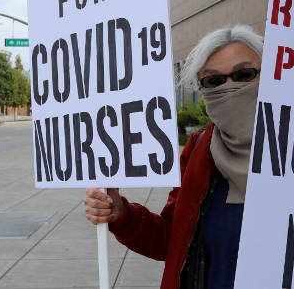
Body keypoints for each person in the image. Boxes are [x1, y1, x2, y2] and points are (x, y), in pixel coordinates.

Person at [84, 25, 263, 289]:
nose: (230, 87)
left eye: (244, 74)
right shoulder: (200, 149)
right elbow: (172, 241)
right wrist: (121, 214)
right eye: (213, 81)